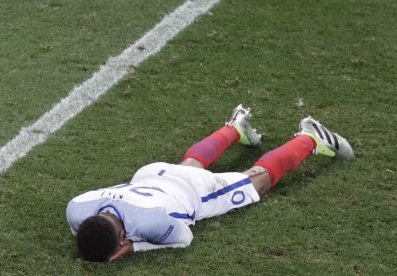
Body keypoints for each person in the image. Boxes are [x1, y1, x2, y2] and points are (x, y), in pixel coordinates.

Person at [66, 105, 354, 262]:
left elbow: (184, 239)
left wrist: (134, 248)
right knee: (188, 165)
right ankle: (234, 128)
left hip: (195, 192)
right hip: (151, 175)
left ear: (120, 238)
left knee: (255, 182)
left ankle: (310, 138)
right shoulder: (77, 208)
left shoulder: (148, 224)